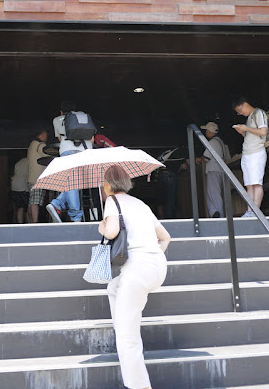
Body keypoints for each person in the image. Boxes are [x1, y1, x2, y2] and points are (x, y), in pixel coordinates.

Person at [99, 165, 171, 389]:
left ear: (108, 185)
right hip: (157, 266)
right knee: (113, 288)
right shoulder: (141, 204)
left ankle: (139, 386)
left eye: (103, 183)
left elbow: (111, 232)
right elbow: (165, 237)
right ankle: (122, 321)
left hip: (137, 270)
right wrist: (150, 256)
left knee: (127, 338)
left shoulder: (112, 201)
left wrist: (102, 227)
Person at [46, 100, 93, 223]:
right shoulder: (82, 118)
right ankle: (60, 205)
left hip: (67, 150)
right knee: (76, 182)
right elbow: (92, 138)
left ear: (61, 111)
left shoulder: (57, 120)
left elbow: (60, 138)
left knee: (72, 182)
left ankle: (69, 211)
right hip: (85, 151)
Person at [232, 95, 268, 218]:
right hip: (247, 153)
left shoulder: (259, 113)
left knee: (256, 183)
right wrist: (243, 132)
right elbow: (252, 136)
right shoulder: (249, 117)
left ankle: (255, 211)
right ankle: (249, 211)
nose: (240, 113)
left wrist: (246, 128)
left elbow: (263, 132)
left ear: (245, 104)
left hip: (256, 152)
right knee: (249, 185)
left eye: (240, 110)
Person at [196, 122, 226, 218]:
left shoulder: (212, 142)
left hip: (213, 169)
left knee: (214, 193)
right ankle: (214, 213)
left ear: (209, 131)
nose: (206, 132)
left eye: (206, 130)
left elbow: (206, 158)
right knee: (212, 193)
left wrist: (199, 159)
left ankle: (219, 215)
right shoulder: (221, 142)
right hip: (220, 169)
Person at [27, 128, 48, 223]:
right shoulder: (39, 145)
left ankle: (30, 223)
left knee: (32, 202)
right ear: (42, 135)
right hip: (37, 178)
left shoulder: (32, 144)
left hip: (32, 178)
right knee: (35, 202)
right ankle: (34, 223)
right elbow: (48, 153)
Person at [11, 156, 29, 224]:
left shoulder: (19, 162)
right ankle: (28, 224)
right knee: (26, 208)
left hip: (15, 186)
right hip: (23, 186)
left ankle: (20, 224)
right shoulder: (29, 161)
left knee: (20, 207)